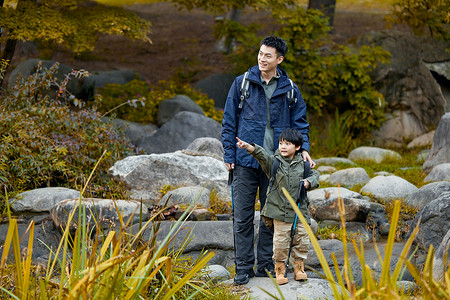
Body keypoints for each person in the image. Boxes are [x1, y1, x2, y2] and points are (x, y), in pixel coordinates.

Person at [221, 36, 315, 285]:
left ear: (279, 59)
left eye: (268, 55)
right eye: (260, 54)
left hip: (277, 164)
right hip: (244, 161)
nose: (262, 59)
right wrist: (229, 154)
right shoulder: (242, 83)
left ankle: (265, 265)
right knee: (241, 217)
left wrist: (303, 148)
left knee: (270, 216)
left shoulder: (290, 88)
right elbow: (229, 121)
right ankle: (242, 268)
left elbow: (300, 124)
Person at [236, 128, 319, 285]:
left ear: (298, 147)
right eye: (281, 143)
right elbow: (261, 154)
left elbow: (315, 176)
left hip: (299, 212)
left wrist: (308, 183)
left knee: (301, 241)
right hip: (279, 213)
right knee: (280, 244)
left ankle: (298, 269)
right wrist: (248, 147)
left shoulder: (304, 165)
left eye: (287, 144)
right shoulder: (274, 163)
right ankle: (280, 271)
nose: (283, 146)